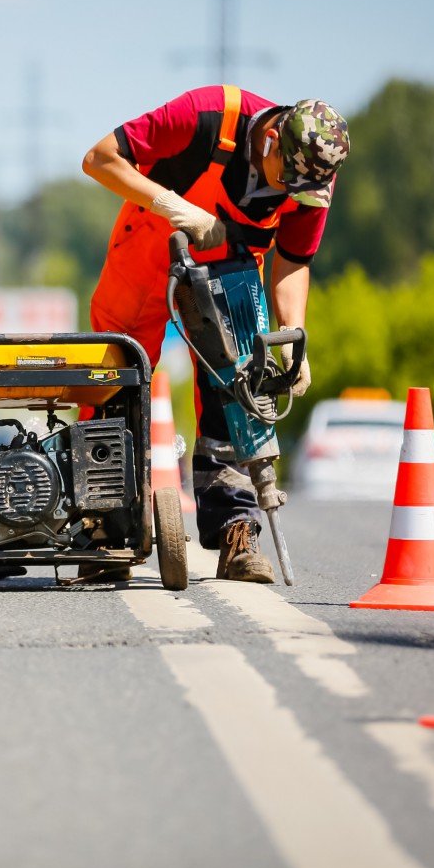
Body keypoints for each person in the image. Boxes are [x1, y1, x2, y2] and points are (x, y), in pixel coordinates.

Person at [83, 85, 349, 583]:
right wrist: (173, 207)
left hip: (231, 274)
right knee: (113, 386)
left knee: (239, 397)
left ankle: (235, 534)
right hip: (147, 251)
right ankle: (103, 529)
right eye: (286, 180)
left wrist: (292, 333)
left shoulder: (312, 178)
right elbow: (99, 159)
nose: (290, 194)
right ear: (271, 140)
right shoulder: (209, 115)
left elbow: (293, 261)